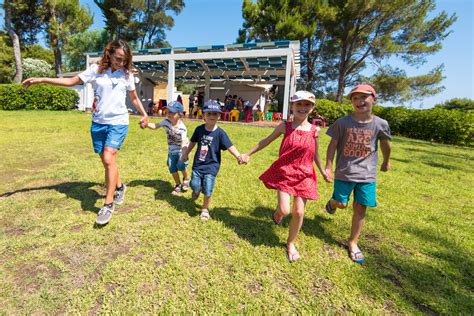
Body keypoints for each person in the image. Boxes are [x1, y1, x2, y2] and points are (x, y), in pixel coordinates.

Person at [22, 39, 148, 225]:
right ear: (110, 53)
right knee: (107, 161)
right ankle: (120, 187)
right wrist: (42, 79)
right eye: (118, 58)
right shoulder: (96, 69)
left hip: (118, 122)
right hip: (98, 123)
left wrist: (144, 114)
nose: (120, 63)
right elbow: (71, 81)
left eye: (124, 60)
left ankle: (108, 203)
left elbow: (134, 98)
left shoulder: (127, 74)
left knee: (108, 157)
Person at [241, 91, 328, 262]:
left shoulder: (314, 131)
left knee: (299, 212)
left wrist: (323, 171)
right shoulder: (285, 126)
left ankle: (290, 243)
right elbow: (266, 140)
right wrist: (248, 153)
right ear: (292, 106)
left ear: (312, 108)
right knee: (285, 210)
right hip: (285, 172)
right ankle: (278, 214)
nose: (303, 108)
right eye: (299, 104)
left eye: (307, 105)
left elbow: (315, 154)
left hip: (305, 175)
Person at [324, 84, 391, 263]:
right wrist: (328, 167)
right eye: (355, 98)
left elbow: (385, 144)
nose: (359, 101)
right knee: (341, 203)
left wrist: (386, 161)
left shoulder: (380, 124)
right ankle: (332, 202)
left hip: (367, 175)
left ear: (373, 99)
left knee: (360, 208)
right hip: (344, 172)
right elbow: (332, 146)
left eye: (364, 97)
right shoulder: (343, 122)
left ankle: (353, 242)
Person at [181, 100, 244, 221]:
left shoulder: (220, 133)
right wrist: (186, 153)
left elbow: (230, 146)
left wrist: (238, 156)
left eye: (215, 114)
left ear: (219, 116)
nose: (211, 116)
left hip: (212, 166)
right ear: (203, 115)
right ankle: (196, 190)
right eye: (208, 113)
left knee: (208, 189)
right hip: (198, 165)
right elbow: (193, 143)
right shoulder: (199, 130)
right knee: (195, 185)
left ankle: (204, 209)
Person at [145, 101, 190, 195]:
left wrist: (184, 154)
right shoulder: (166, 122)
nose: (168, 114)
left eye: (172, 112)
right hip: (171, 151)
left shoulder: (182, 128)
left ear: (179, 114)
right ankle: (178, 184)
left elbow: (184, 142)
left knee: (181, 165)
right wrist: (146, 124)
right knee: (172, 168)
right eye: (168, 111)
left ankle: (186, 178)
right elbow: (156, 126)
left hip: (181, 150)